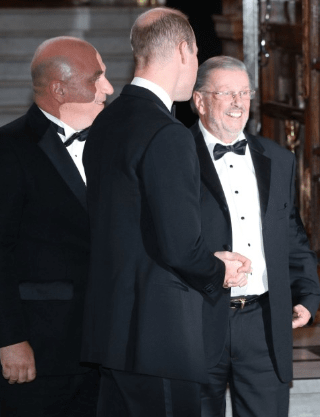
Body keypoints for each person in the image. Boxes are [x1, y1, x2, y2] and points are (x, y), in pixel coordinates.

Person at [81, 8, 251, 417]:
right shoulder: (168, 133)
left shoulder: (106, 121)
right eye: (195, 57)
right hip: (161, 338)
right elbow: (180, 246)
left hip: (113, 332)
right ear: (183, 50)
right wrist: (220, 270)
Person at [0, 36, 114, 416]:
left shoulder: (113, 144)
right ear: (59, 88)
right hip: (37, 348)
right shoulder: (5, 147)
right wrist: (10, 339)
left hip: (106, 347)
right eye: (96, 78)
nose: (109, 88)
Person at [190, 56, 320, 417]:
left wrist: (308, 292)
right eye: (226, 93)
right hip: (197, 317)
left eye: (244, 92)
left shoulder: (278, 158)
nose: (238, 102)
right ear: (199, 101)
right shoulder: (175, 156)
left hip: (263, 320)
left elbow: (291, 232)